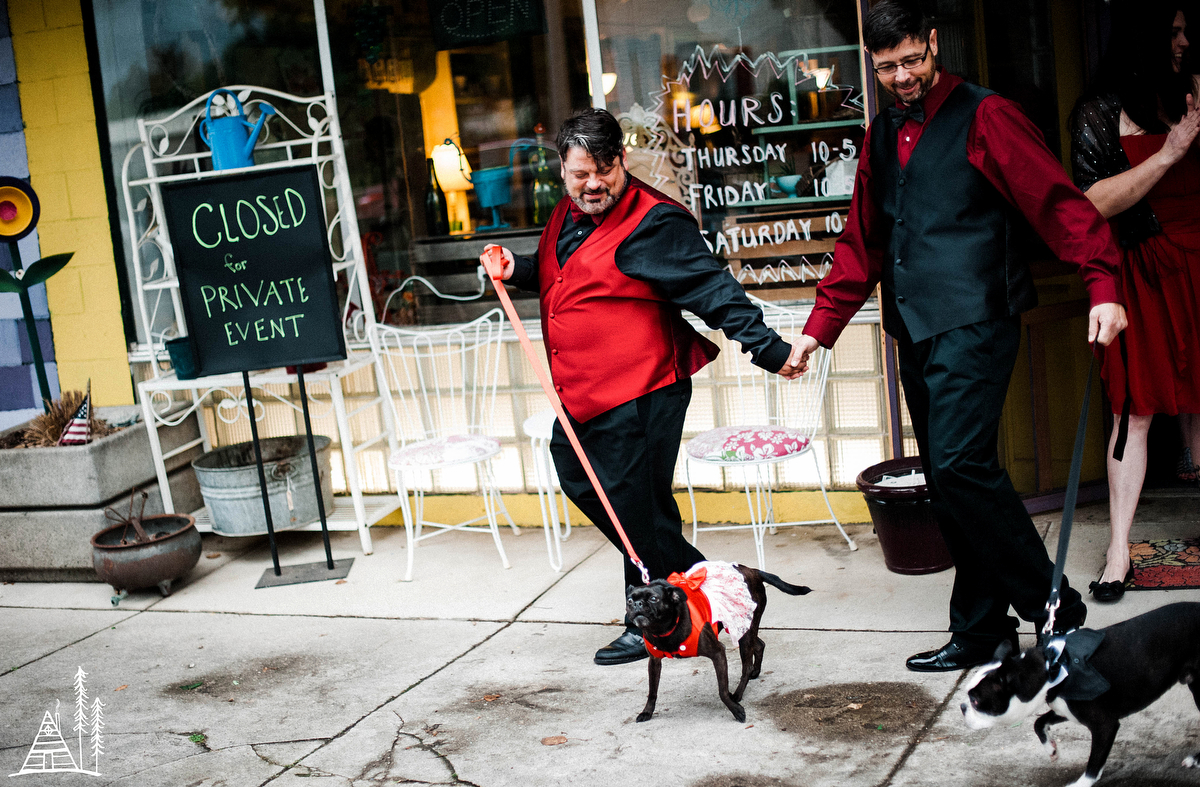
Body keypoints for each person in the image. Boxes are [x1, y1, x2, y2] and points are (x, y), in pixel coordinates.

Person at [790, 0, 1128, 671]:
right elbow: (863, 242)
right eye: (887, 67)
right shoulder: (881, 134)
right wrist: (817, 331)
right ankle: (981, 632)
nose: (903, 75)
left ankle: (1053, 604)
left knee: (960, 467)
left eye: (912, 59)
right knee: (949, 483)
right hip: (914, 327)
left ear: (934, 43)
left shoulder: (987, 115)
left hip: (977, 316)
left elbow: (1059, 203)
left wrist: (1104, 285)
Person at [481, 108, 806, 665]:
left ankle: (658, 609)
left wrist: (770, 350)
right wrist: (519, 268)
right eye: (580, 174)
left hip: (643, 390)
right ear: (562, 168)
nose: (593, 185)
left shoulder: (655, 222)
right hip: (584, 393)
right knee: (589, 484)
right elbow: (563, 271)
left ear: (622, 161)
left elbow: (713, 290)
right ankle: (702, 587)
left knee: (636, 507)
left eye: (604, 170)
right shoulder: (567, 211)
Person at [1071, 2, 1200, 603]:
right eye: (1172, 32)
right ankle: (1119, 550)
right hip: (1144, 273)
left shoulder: (1197, 93)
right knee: (1134, 410)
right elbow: (1091, 203)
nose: (1183, 42)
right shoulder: (1099, 112)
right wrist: (1171, 151)